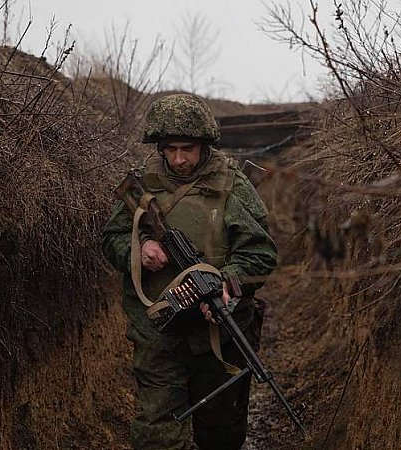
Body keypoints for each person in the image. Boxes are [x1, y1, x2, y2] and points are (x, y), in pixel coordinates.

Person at [101, 93, 278, 450]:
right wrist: (139, 250)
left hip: (217, 332)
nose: (179, 159)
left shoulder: (231, 186)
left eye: (188, 149)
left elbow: (260, 253)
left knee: (220, 430)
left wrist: (228, 285)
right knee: (157, 429)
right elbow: (112, 238)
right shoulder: (141, 185)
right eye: (171, 149)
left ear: (204, 145)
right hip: (157, 332)